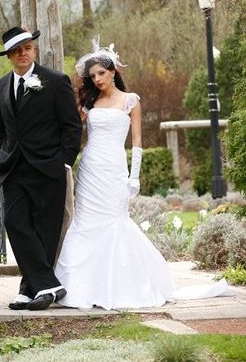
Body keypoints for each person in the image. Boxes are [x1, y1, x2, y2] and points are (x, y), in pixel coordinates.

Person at [55, 38, 232, 310]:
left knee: (115, 221)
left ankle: (119, 285)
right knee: (84, 223)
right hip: (90, 168)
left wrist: (134, 176)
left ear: (113, 71)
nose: (98, 79)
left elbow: (137, 141)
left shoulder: (130, 101)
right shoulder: (89, 103)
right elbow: (69, 127)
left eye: (102, 73)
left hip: (114, 168)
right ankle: (81, 286)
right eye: (93, 76)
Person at [0, 26, 82, 311]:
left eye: (27, 47)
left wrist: (64, 161)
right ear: (8, 55)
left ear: (34, 49)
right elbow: (0, 129)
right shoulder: (0, 85)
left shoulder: (56, 81)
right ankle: (49, 285)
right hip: (14, 169)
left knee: (44, 230)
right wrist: (2, 154)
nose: (23, 53)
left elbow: (71, 127)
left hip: (48, 168)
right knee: (14, 222)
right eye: (17, 50)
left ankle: (29, 289)